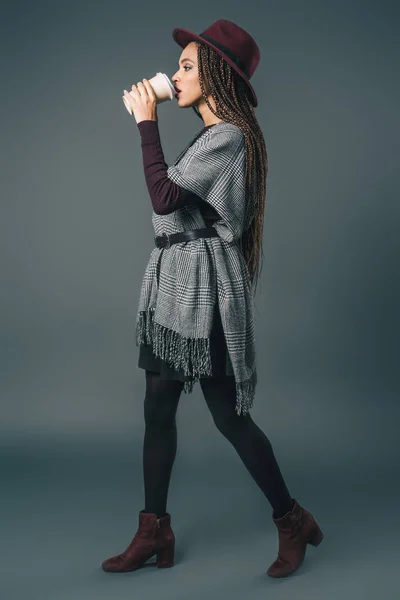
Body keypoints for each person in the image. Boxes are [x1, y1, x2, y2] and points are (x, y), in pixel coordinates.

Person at [102, 19, 323, 579]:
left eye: (186, 67)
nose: (176, 75)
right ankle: (154, 529)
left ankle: (291, 518)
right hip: (174, 288)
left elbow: (162, 195)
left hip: (208, 293)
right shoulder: (208, 136)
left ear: (217, 77)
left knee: (229, 417)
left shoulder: (229, 137)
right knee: (158, 407)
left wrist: (146, 121)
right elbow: (172, 204)